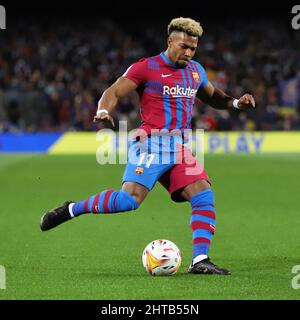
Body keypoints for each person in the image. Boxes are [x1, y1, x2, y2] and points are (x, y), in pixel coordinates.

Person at [40, 17, 255, 275]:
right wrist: (103, 110)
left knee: (203, 193)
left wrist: (235, 104)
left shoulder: (196, 70)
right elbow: (115, 91)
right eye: (183, 46)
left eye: (193, 48)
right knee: (128, 201)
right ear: (169, 42)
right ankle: (72, 209)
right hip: (150, 144)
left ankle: (200, 260)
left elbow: (213, 96)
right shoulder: (146, 67)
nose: (188, 52)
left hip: (178, 148)